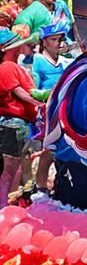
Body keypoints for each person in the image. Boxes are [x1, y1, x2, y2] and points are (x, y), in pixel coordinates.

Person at [0, 27, 37, 206]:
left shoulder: (13, 66)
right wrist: (40, 103)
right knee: (10, 170)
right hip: (15, 123)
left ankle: (8, 202)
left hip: (20, 123)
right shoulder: (8, 66)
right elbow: (19, 91)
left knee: (17, 168)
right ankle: (3, 205)